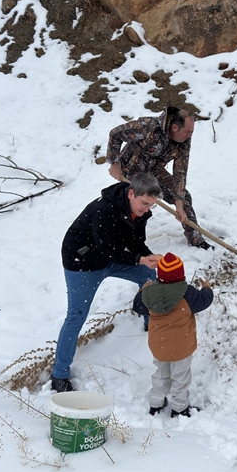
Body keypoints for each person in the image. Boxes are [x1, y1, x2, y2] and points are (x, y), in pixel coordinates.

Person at [50, 173, 163, 393]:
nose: (147, 209)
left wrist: (149, 257)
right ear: (131, 194)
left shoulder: (140, 212)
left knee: (148, 274)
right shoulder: (104, 210)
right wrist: (140, 259)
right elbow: (108, 250)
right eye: (144, 203)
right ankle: (59, 374)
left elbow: (136, 242)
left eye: (151, 205)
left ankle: (151, 321)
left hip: (110, 258)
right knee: (76, 316)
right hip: (82, 262)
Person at [105, 106, 211, 250]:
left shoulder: (184, 141)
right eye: (187, 131)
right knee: (135, 204)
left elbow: (180, 172)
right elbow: (115, 134)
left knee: (184, 197)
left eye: (191, 132)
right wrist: (114, 163)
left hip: (154, 171)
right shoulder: (147, 126)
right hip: (131, 171)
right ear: (175, 127)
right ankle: (121, 243)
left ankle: (195, 239)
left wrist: (179, 204)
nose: (189, 136)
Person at [133, 252, 213, 417]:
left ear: (160, 275)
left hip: (159, 347)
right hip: (181, 348)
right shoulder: (187, 293)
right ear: (181, 275)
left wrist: (143, 291)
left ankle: (156, 404)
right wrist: (207, 288)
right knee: (180, 378)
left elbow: (138, 306)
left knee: (161, 375)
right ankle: (179, 408)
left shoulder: (150, 295)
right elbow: (204, 301)